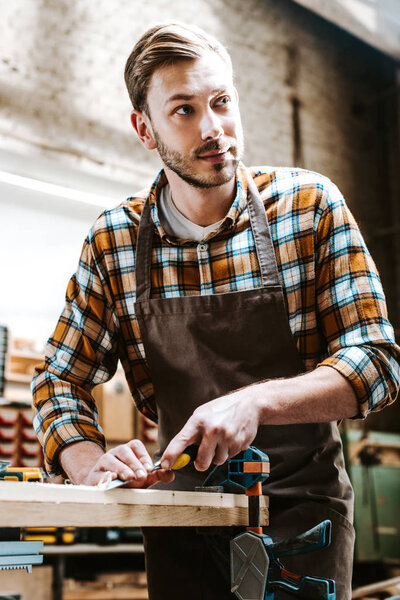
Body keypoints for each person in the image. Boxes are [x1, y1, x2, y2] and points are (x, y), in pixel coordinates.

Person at [32, 22, 400, 600]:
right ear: (144, 128)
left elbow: (377, 363)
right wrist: (86, 462)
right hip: (180, 518)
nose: (213, 130)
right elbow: (58, 380)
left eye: (221, 102)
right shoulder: (115, 242)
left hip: (303, 520)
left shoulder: (307, 208)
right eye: (182, 110)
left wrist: (255, 401)